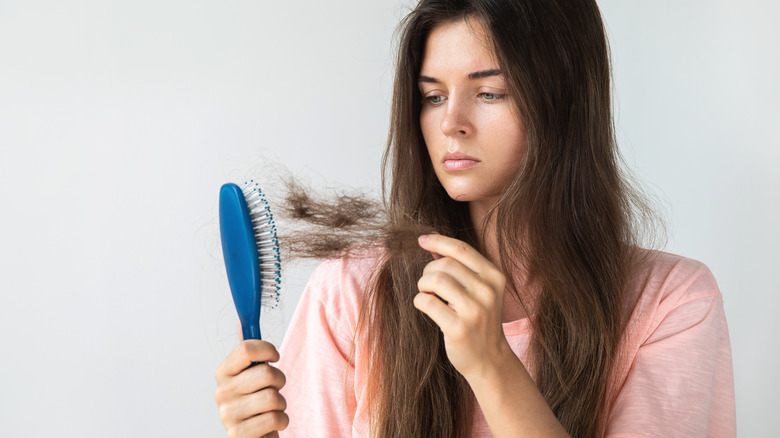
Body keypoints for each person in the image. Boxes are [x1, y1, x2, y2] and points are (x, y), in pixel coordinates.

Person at [214, 0, 736, 436]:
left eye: (489, 92)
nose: (450, 123)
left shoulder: (671, 303)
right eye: (432, 96)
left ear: (565, 102)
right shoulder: (351, 292)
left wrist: (492, 364)